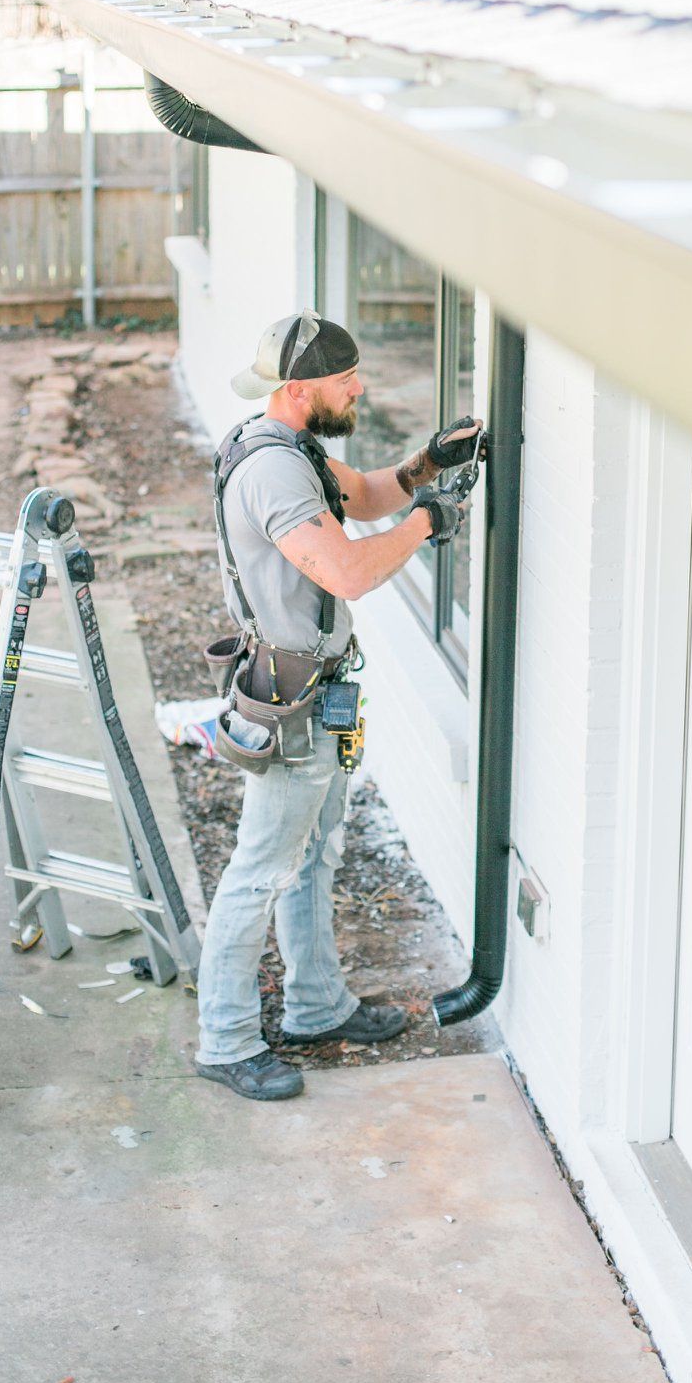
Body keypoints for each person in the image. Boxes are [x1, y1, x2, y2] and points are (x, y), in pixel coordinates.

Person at [195, 309, 482, 1101]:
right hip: (289, 699)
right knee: (260, 871)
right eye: (345, 380)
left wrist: (425, 466)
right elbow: (348, 573)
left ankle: (317, 1007)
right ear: (296, 389)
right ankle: (224, 1039)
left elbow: (359, 499)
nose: (360, 387)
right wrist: (426, 522)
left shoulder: (295, 446)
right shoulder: (272, 471)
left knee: (313, 857)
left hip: (318, 689)